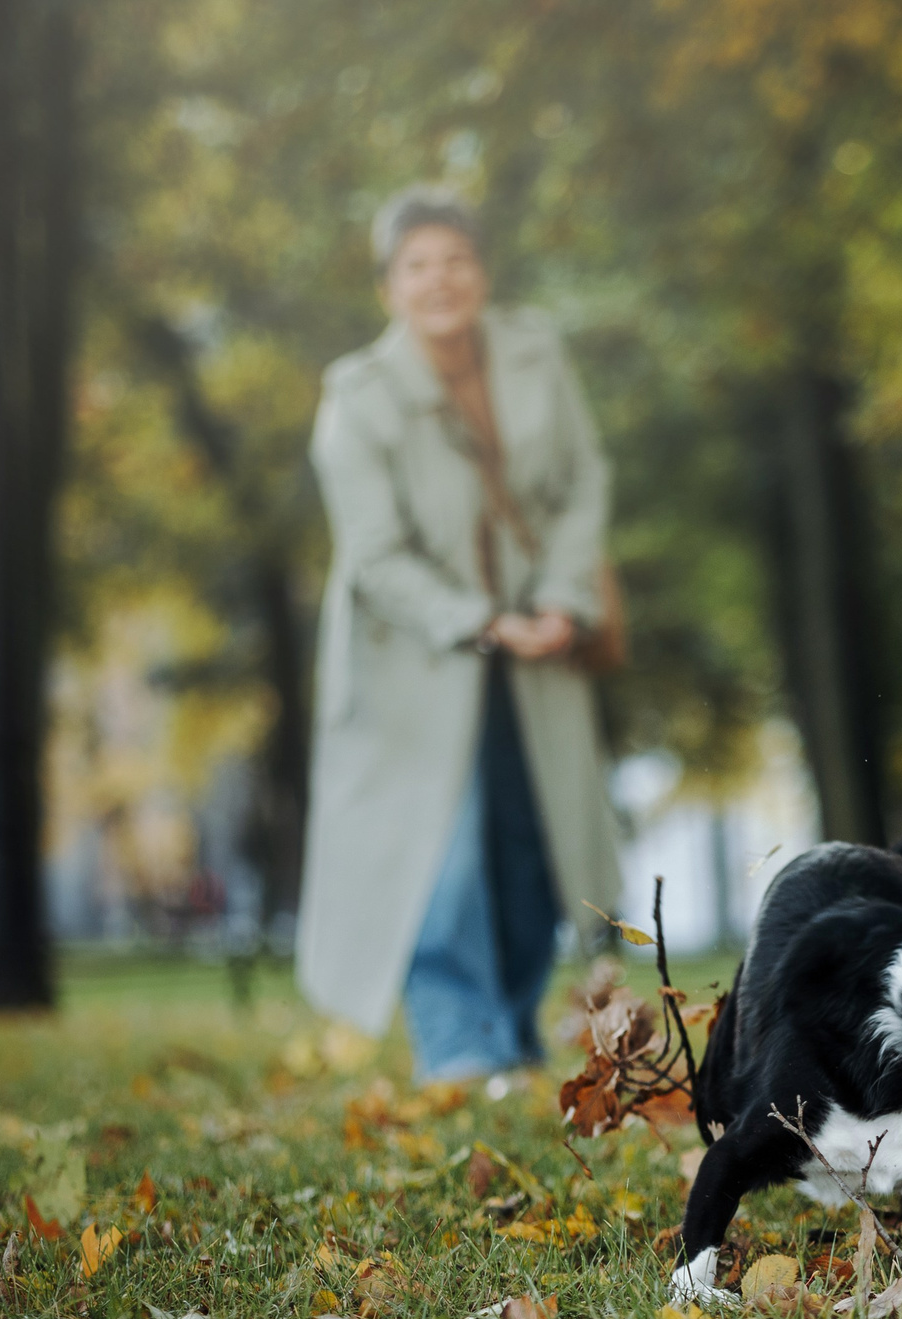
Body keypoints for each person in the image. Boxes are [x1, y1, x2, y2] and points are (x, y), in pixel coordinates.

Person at [295, 185, 622, 1083]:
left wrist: (557, 601)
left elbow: (582, 480)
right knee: (440, 855)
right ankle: (457, 1047)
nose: (440, 281)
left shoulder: (535, 352)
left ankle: (510, 1030)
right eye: (417, 266)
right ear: (388, 287)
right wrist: (482, 623)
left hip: (539, 647)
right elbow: (373, 555)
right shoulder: (356, 395)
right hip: (418, 658)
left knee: (528, 841)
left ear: (481, 272)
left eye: (455, 261)